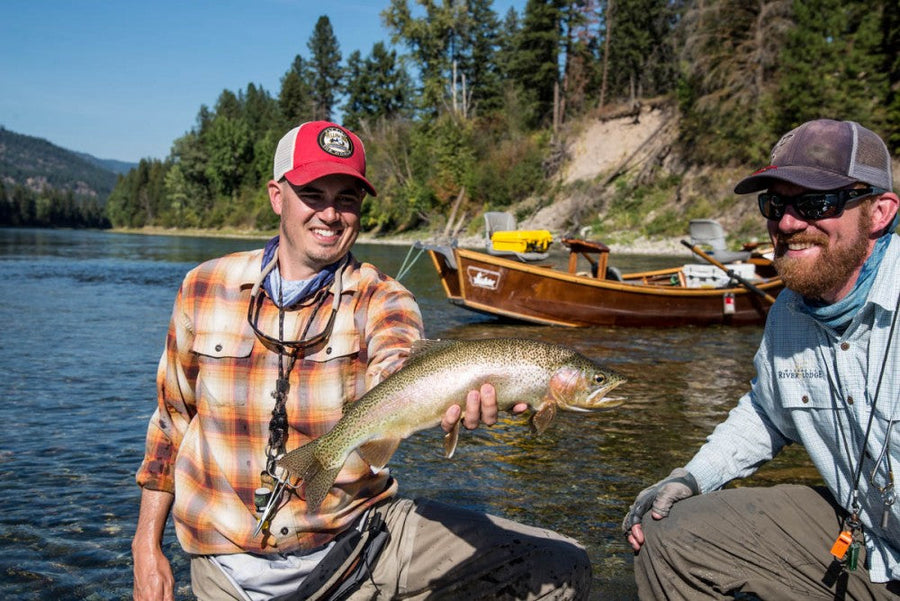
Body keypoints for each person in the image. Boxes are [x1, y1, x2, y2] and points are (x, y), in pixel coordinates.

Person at [132, 120, 591, 601]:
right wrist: (147, 546)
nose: (331, 214)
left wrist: (457, 393)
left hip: (358, 545)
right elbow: (171, 424)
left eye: (347, 199)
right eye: (313, 193)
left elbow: (398, 362)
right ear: (277, 196)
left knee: (559, 565)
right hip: (225, 565)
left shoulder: (384, 298)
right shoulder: (204, 287)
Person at [623, 118, 900, 600]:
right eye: (775, 204)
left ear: (879, 212)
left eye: (816, 203)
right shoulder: (789, 312)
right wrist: (691, 477)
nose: (789, 224)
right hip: (869, 542)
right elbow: (766, 414)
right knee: (666, 533)